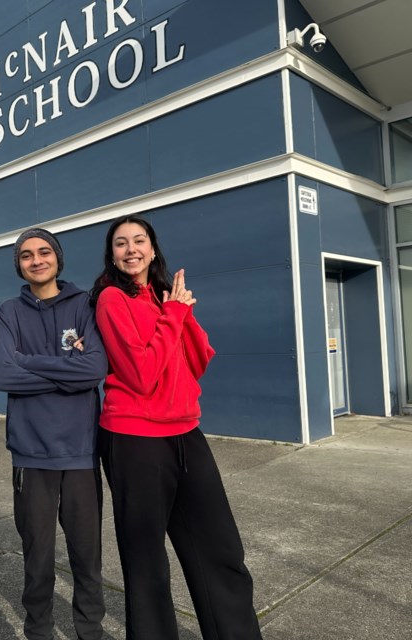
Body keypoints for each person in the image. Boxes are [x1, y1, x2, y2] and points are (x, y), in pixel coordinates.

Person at [88, 215, 263, 640]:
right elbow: (141, 373)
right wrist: (172, 316)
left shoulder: (163, 296)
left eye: (139, 241)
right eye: (121, 243)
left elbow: (200, 360)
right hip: (134, 440)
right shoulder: (112, 299)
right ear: (111, 254)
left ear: (152, 248)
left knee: (220, 551)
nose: (131, 249)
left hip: (186, 433)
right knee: (147, 562)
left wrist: (179, 312)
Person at [0, 228, 108, 640]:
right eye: (26, 255)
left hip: (80, 452)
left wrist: (29, 362)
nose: (36, 260)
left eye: (44, 252)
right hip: (31, 455)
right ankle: (38, 631)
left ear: (58, 258)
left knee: (86, 558)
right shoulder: (8, 312)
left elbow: (94, 370)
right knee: (36, 559)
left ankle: (89, 631)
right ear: (19, 264)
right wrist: (64, 369)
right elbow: (3, 373)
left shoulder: (85, 305)